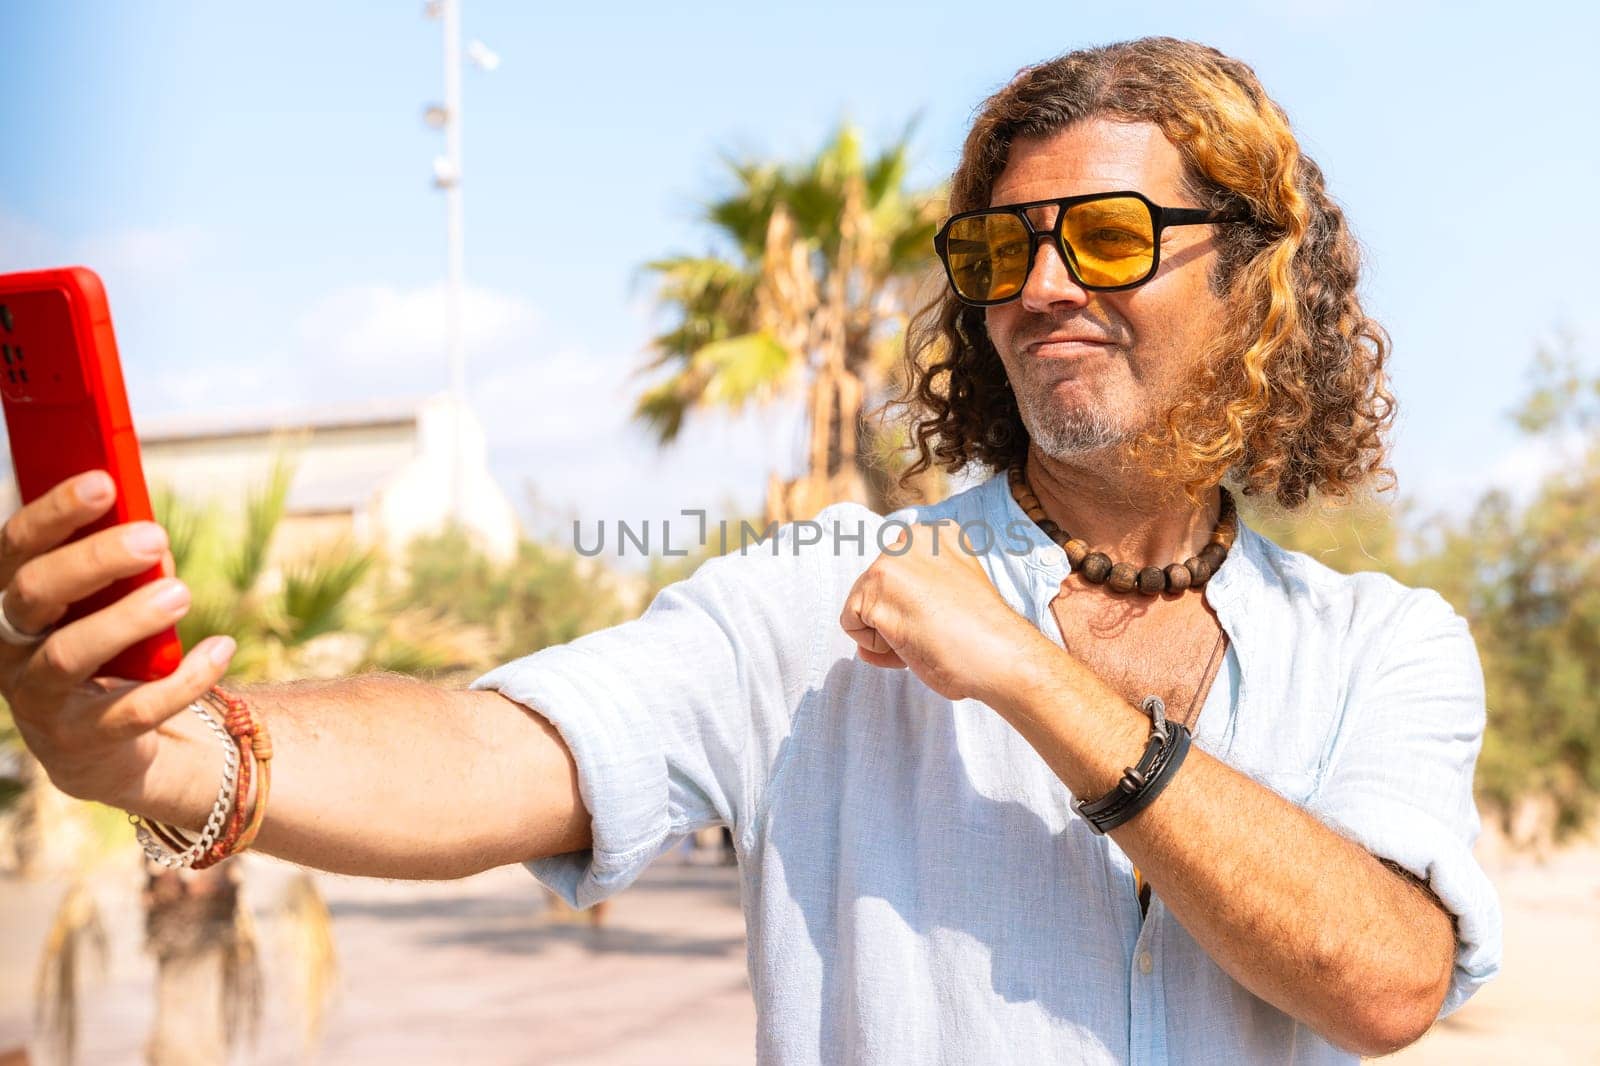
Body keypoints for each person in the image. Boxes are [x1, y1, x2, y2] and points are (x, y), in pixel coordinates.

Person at [1, 36, 1500, 1065]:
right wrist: (178, 755)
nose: (1041, 284)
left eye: (1105, 237)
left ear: (1254, 275)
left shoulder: (1384, 643)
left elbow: (1382, 976)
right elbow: (492, 745)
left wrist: (1041, 683)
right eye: (997, 248)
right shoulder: (823, 600)